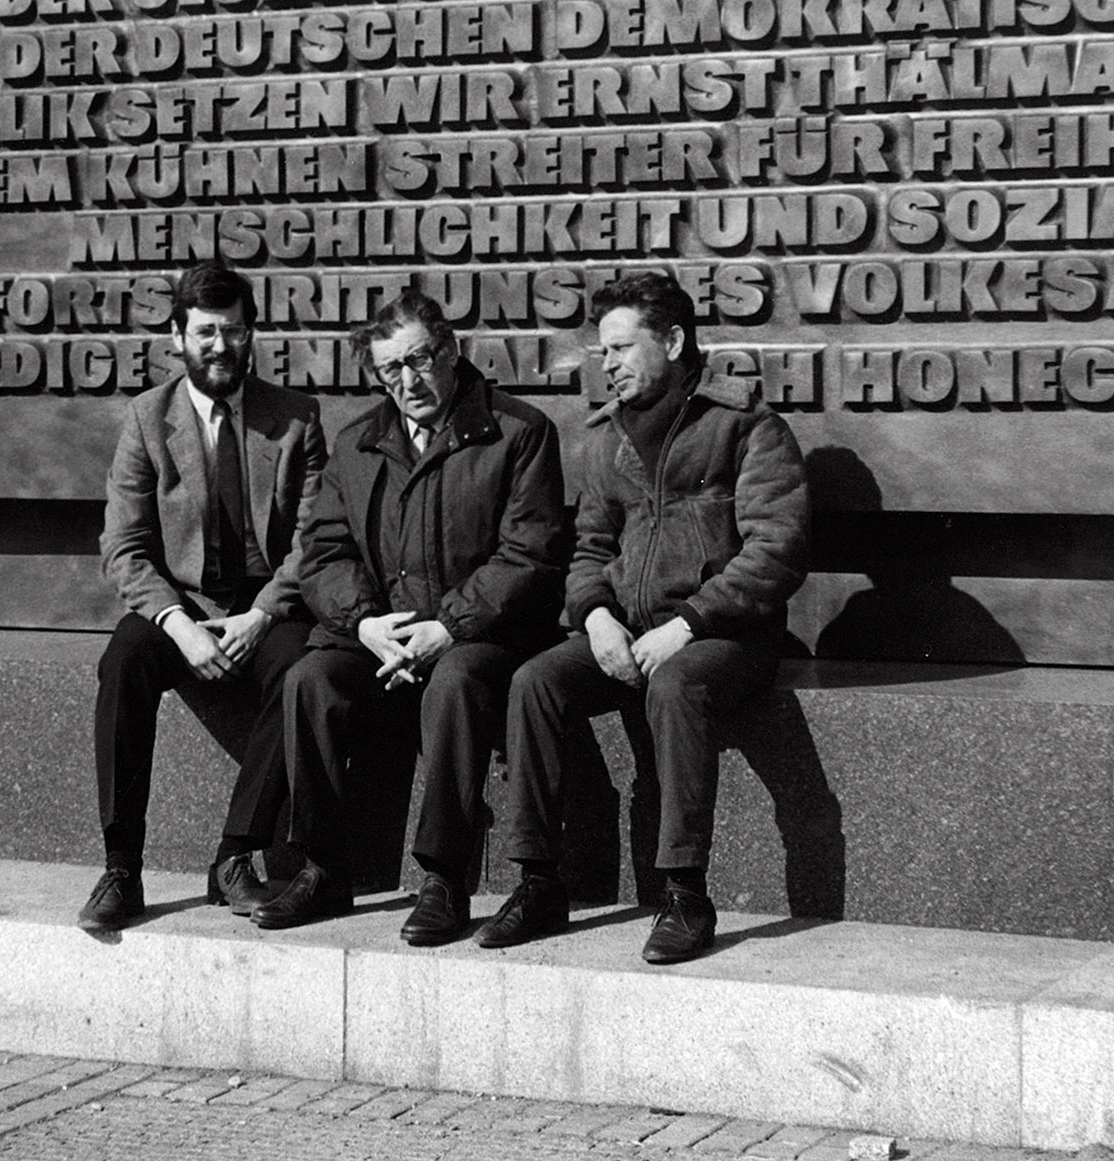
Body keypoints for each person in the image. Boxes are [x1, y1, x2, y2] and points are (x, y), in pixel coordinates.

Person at [481, 272, 808, 965]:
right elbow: (590, 548)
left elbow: (776, 550)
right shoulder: (605, 438)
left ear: (674, 340)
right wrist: (596, 616)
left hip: (724, 636)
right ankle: (539, 880)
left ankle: (685, 893)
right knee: (535, 682)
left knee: (675, 685)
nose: (610, 364)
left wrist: (687, 622)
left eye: (623, 348)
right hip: (627, 631)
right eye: (604, 352)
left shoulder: (745, 424)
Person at [251, 289, 566, 944]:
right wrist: (366, 622)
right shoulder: (358, 441)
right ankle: (322, 868)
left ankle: (443, 880)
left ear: (451, 352)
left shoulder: (519, 431)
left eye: (419, 360)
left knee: (456, 682)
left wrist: (445, 626)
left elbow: (528, 553)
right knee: (310, 680)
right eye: (389, 369)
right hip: (381, 634)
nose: (407, 380)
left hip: (480, 634)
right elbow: (320, 552)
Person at [79, 263, 327, 930]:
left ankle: (235, 853)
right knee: (123, 663)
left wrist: (263, 613)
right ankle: (120, 867)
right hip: (176, 603)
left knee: (307, 672)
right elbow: (124, 545)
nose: (222, 346)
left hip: (264, 602)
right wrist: (179, 625)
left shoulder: (297, 419)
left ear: (252, 336)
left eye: (236, 331)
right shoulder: (147, 418)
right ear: (178, 335)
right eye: (207, 332)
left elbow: (314, 539)